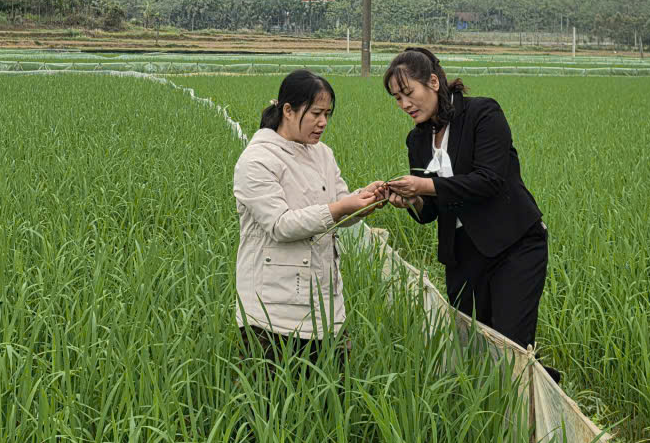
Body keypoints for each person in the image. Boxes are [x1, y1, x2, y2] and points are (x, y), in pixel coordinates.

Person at [382, 47, 549, 352]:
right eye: (397, 98)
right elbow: (430, 211)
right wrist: (412, 200)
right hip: (461, 254)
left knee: (510, 345)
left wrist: (423, 185)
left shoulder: (482, 114)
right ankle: (501, 398)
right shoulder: (417, 139)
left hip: (513, 245)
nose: (404, 104)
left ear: (433, 82)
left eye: (408, 92)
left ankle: (529, 395)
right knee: (474, 346)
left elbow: (490, 180)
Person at [234, 69, 384, 364]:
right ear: (288, 110)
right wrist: (342, 208)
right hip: (272, 311)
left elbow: (339, 206)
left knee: (332, 397)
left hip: (324, 302)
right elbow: (280, 225)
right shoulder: (257, 159)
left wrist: (363, 201)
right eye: (316, 113)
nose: (323, 122)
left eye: (327, 113)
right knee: (273, 402)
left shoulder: (322, 154)